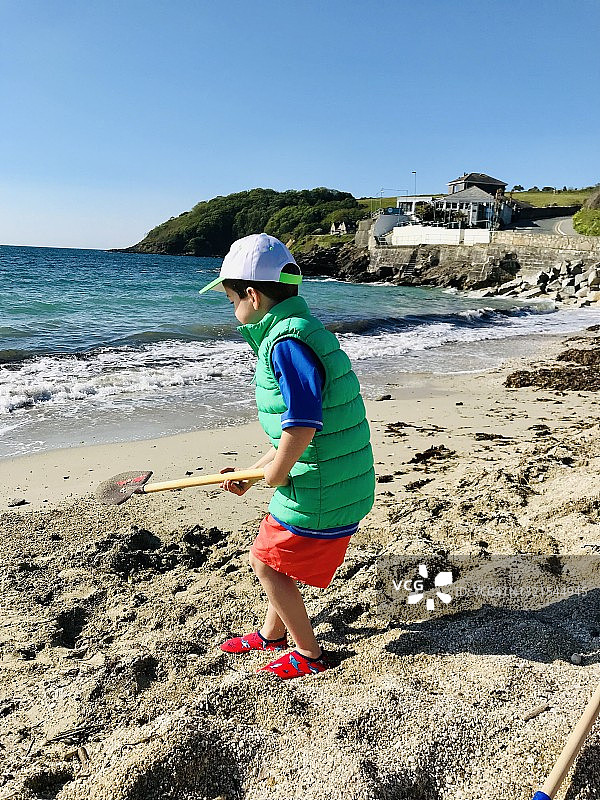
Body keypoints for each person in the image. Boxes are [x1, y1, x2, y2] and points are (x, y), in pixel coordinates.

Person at [198, 233, 375, 679]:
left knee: (266, 564)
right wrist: (256, 471)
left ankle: (310, 653)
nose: (231, 307)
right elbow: (294, 436)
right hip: (331, 476)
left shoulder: (286, 344)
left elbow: (302, 423)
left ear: (252, 296)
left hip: (321, 488)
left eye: (230, 298)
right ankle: (273, 635)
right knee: (276, 559)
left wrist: (275, 473)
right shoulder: (300, 330)